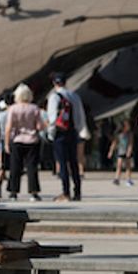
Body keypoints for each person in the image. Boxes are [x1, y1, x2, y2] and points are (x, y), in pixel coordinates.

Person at [46, 73, 89, 201]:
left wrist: (50, 133)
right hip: (72, 132)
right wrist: (80, 130)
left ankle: (66, 192)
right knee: (74, 162)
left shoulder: (54, 97)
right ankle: (77, 191)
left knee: (62, 162)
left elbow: (52, 118)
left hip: (60, 133)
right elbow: (80, 116)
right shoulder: (74, 96)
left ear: (54, 83)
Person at [4, 84, 45, 202]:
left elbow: (8, 127)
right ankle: (34, 192)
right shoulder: (34, 108)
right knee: (32, 167)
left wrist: (6, 143)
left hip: (17, 140)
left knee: (15, 167)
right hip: (32, 140)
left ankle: (13, 192)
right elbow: (39, 126)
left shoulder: (13, 109)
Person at [110, 119, 134, 187]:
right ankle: (117, 178)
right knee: (119, 165)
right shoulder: (118, 135)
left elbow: (130, 143)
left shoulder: (130, 134)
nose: (128, 127)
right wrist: (111, 151)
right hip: (120, 151)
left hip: (127, 151)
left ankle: (128, 179)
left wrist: (129, 150)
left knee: (128, 166)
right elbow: (114, 143)